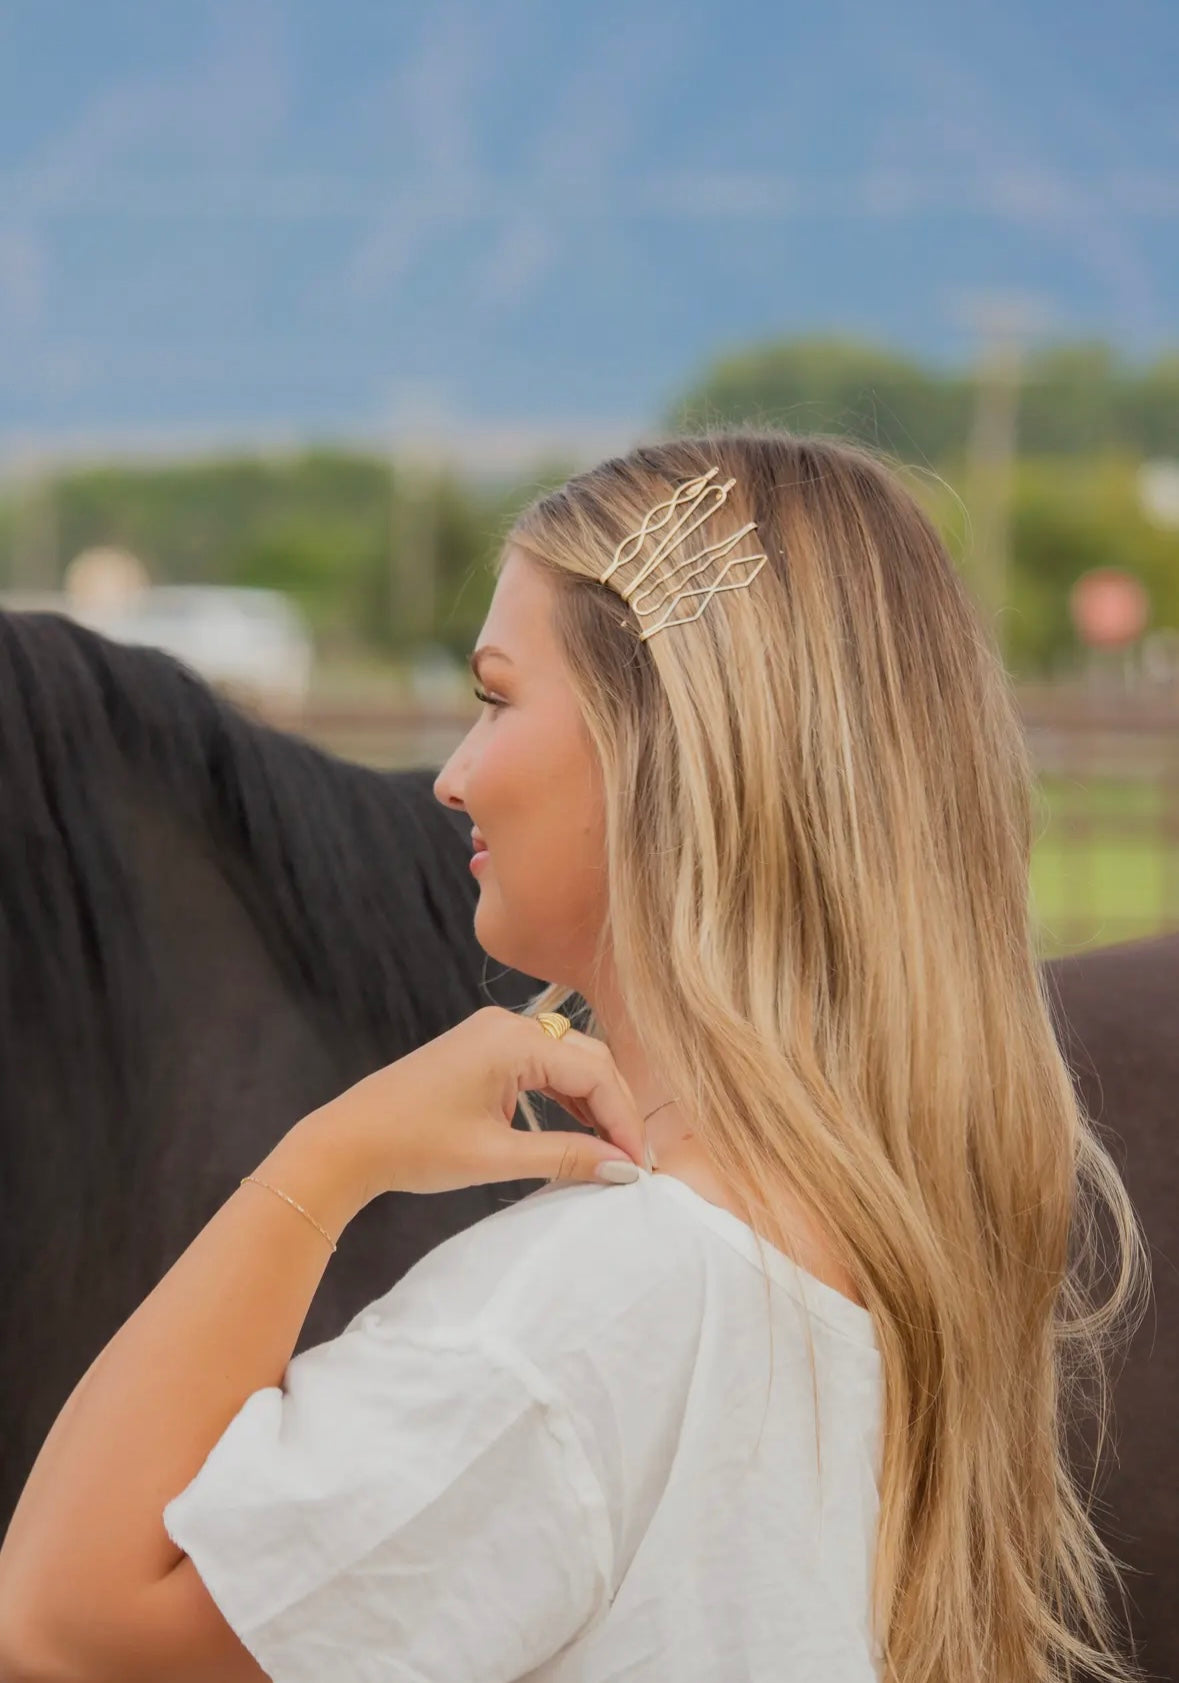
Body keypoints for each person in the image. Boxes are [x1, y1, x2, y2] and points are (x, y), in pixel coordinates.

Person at [0, 432, 1146, 1683]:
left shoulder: (572, 1326)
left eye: (496, 698)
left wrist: (323, 1162)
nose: (451, 777)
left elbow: (64, 1626)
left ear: (667, 747)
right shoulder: (869, 1264)